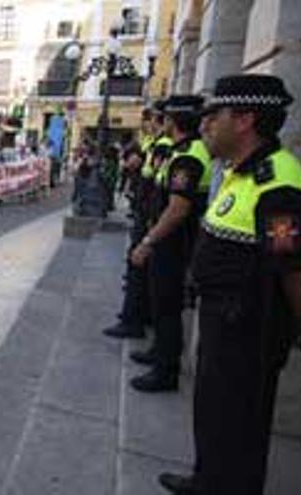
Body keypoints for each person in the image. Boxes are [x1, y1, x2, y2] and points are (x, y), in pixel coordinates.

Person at [157, 75, 301, 495]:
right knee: (214, 414)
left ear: (244, 120)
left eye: (213, 116)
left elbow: (290, 265)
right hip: (224, 321)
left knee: (238, 424)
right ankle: (207, 480)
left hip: (249, 333)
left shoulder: (278, 186)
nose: (205, 127)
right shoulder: (240, 172)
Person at [129, 95, 212, 393]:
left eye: (163, 119)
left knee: (167, 305)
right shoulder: (182, 151)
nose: (158, 123)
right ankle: (158, 354)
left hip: (175, 243)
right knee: (161, 301)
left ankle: (165, 371)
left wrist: (148, 241)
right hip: (169, 240)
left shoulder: (189, 156)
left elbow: (177, 208)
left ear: (173, 122)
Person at [103, 109, 160, 340]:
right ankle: (135, 315)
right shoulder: (155, 144)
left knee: (140, 268)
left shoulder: (166, 147)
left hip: (153, 222)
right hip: (147, 214)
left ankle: (134, 321)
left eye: (150, 121)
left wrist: (148, 237)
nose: (147, 125)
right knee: (139, 270)